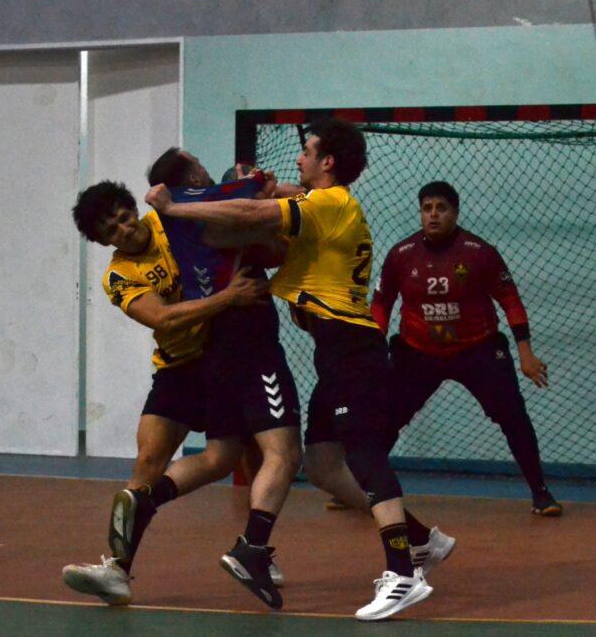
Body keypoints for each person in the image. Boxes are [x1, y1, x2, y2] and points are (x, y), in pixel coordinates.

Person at [145, 118, 449, 622]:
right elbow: (273, 194)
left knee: (366, 454)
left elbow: (251, 210)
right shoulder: (327, 201)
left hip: (354, 349)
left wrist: (175, 206)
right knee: (324, 465)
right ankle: (422, 541)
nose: (299, 159)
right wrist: (261, 183)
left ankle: (403, 573)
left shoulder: (331, 203)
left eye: (307, 151)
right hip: (334, 351)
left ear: (327, 162)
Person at [144, 147, 303, 611]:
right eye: (194, 160)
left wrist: (267, 196)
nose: (203, 163)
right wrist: (267, 206)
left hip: (220, 347)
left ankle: (143, 501)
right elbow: (264, 227)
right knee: (285, 451)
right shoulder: (196, 213)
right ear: (190, 174)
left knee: (224, 454)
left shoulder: (210, 203)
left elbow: (271, 246)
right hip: (246, 341)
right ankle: (251, 549)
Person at [369, 181, 562, 517]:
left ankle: (541, 493)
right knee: (387, 418)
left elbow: (510, 301)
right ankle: (361, 487)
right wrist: (374, 349)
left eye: (441, 208)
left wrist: (525, 353)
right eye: (427, 208)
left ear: (455, 213)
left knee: (513, 415)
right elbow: (382, 303)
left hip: (478, 349)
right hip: (418, 350)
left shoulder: (480, 252)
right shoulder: (401, 255)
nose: (433, 215)